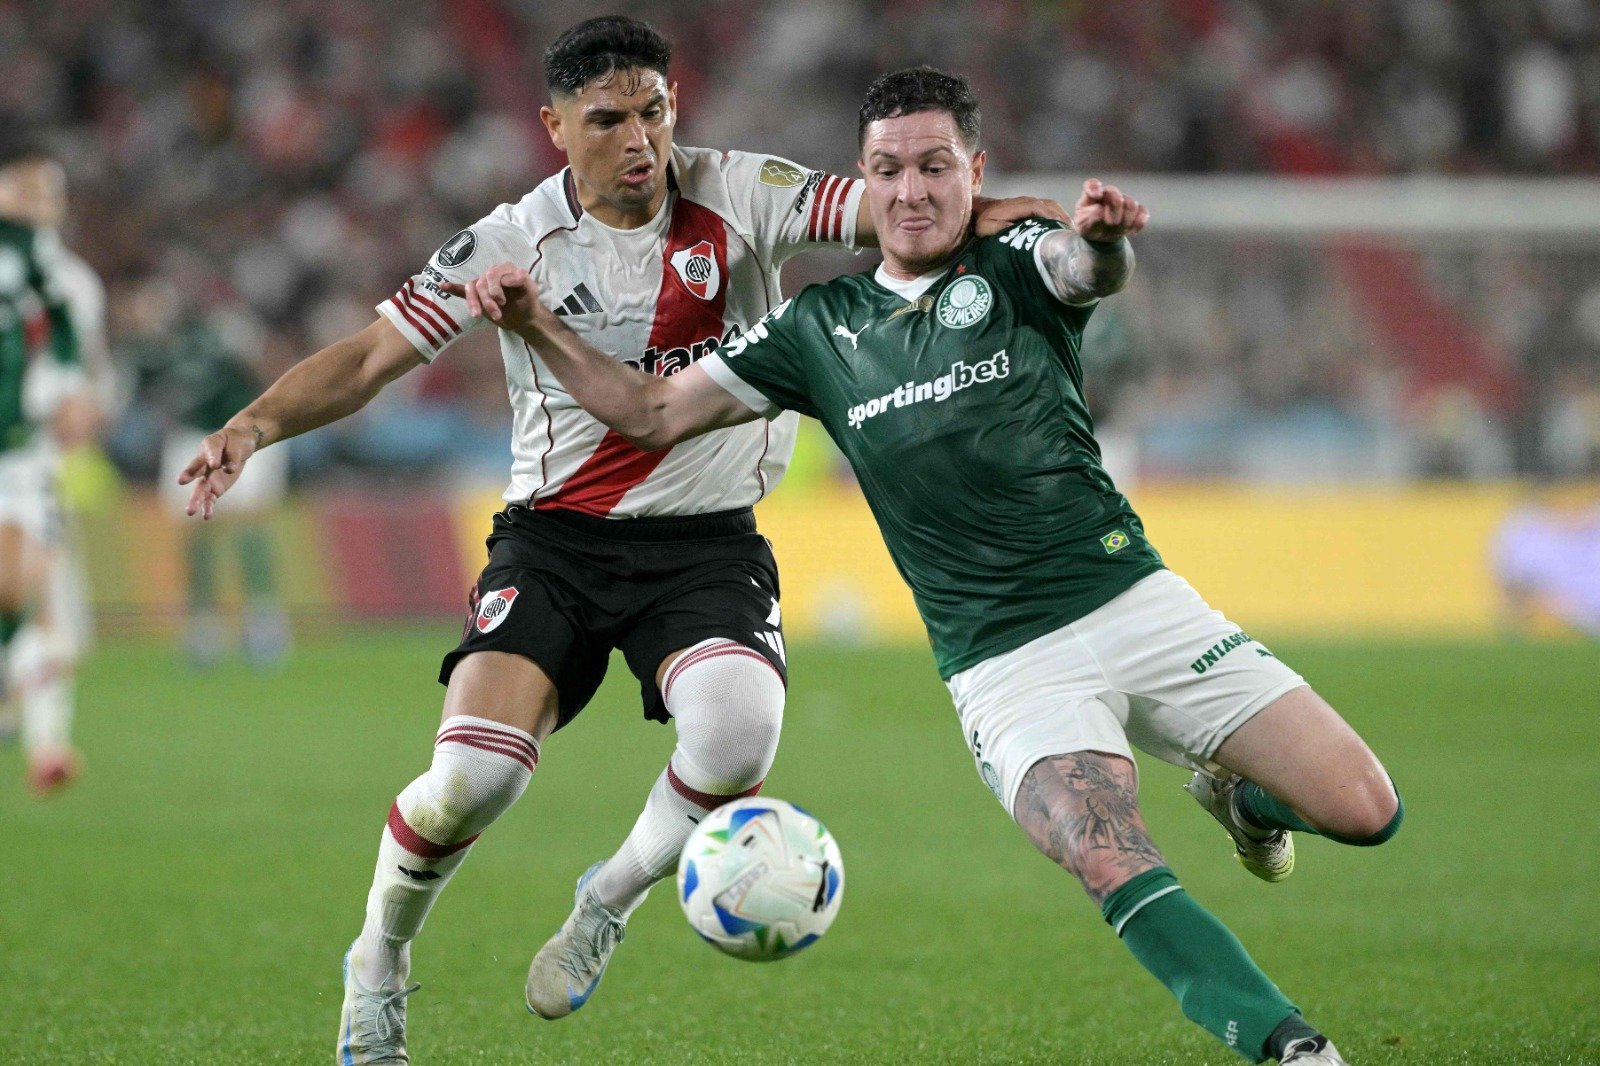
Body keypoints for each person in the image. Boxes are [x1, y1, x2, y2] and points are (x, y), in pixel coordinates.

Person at [451, 67, 1405, 1066]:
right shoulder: (814, 329)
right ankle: (1289, 1045)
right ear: (863, 185)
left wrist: (1107, 238)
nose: (910, 190)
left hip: (1132, 600)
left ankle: (1243, 796)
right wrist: (535, 327)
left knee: (1364, 808)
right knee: (1103, 840)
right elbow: (649, 414)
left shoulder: (1020, 262)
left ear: (974, 171)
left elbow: (1089, 269)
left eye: (934, 167)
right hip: (1004, 662)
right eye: (886, 170)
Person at [177, 18, 1066, 1063]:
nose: (638, 138)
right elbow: (373, 357)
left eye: (653, 110)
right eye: (607, 119)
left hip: (706, 546)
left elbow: (894, 208)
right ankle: (377, 959)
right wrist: (253, 424)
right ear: (554, 127)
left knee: (740, 733)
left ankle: (606, 897)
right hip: (554, 544)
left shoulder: (741, 191)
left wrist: (994, 211)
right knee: (474, 781)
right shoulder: (508, 243)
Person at [0, 136, 97, 796]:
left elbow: (85, 374)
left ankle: (47, 741)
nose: (32, 206)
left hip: (26, 455)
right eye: (21, 191)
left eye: (43, 195)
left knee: (26, 595)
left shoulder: (70, 282)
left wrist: (72, 394)